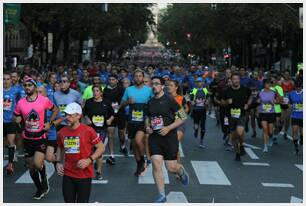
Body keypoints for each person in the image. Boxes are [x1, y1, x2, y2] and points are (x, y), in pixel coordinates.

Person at [14, 77, 59, 200]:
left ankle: (44, 177)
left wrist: (49, 123)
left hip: (41, 136)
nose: (27, 87)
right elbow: (16, 115)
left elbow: (56, 110)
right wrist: (17, 120)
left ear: (34, 87)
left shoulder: (44, 100)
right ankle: (39, 188)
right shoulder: (20, 102)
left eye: (30, 85)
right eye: (25, 85)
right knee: (30, 166)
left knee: (38, 164)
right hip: (27, 137)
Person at [146, 76, 189, 203]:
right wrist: (147, 127)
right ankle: (161, 195)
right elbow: (148, 118)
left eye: (157, 84)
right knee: (156, 163)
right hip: (155, 138)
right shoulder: (150, 102)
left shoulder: (169, 100)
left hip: (169, 137)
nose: (154, 86)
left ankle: (180, 171)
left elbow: (183, 116)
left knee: (170, 167)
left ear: (162, 86)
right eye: (152, 84)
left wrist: (169, 128)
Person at [55, 102, 105, 203]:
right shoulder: (62, 132)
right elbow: (60, 147)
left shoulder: (88, 131)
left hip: (84, 175)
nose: (67, 118)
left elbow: (101, 147)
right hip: (68, 174)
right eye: (66, 115)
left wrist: (89, 160)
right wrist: (58, 162)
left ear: (78, 116)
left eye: (70, 115)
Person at [120, 69, 153, 176]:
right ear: (133, 78)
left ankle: (143, 159)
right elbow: (122, 104)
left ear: (143, 78)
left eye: (140, 76)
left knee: (139, 140)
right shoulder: (129, 90)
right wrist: (128, 102)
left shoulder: (149, 90)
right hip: (132, 120)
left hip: (144, 120)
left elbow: (153, 104)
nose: (138, 78)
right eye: (136, 76)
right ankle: (139, 164)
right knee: (134, 145)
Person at [83, 86, 114, 179]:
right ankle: (93, 165)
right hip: (90, 130)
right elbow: (84, 113)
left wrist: (110, 120)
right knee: (91, 150)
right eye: (93, 91)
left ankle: (99, 172)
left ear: (101, 92)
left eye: (97, 91)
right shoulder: (89, 102)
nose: (95, 93)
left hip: (102, 129)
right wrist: (87, 119)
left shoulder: (106, 102)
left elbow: (112, 113)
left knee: (99, 150)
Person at [223, 73, 252, 161]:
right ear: (231, 81)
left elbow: (251, 97)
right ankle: (237, 152)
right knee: (234, 137)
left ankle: (242, 146)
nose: (236, 80)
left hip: (241, 114)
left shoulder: (245, 89)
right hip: (231, 116)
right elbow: (222, 102)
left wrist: (247, 104)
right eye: (234, 79)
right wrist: (227, 101)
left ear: (239, 80)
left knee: (240, 132)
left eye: (237, 79)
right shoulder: (227, 91)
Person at [167, 80, 190, 175]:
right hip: (168, 124)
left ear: (176, 87)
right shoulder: (164, 97)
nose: (169, 87)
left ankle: (178, 167)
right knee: (171, 146)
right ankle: (176, 167)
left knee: (175, 143)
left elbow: (187, 108)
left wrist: (181, 115)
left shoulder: (181, 98)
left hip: (179, 124)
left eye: (171, 85)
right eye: (168, 85)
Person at [103, 74, 127, 164]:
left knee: (121, 134)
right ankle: (112, 155)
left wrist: (118, 107)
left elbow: (123, 101)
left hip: (120, 114)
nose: (111, 81)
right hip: (109, 115)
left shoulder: (122, 89)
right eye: (109, 79)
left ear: (117, 81)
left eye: (113, 79)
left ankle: (123, 146)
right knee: (110, 135)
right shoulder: (105, 90)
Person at [4, 72, 21, 175]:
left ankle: (10, 164)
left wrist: (19, 115)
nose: (5, 81)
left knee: (11, 142)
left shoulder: (16, 91)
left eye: (7, 79)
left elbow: (21, 102)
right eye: (4, 79)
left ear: (11, 80)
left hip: (11, 120)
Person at [257, 79, 279, 152]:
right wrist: (258, 102)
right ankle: (265, 146)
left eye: (269, 83)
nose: (268, 85)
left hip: (271, 113)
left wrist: (274, 102)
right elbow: (257, 101)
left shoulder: (273, 92)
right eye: (266, 83)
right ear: (264, 84)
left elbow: (279, 100)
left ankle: (271, 137)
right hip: (263, 113)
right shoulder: (260, 92)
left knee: (270, 131)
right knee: (265, 129)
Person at [190, 77, 209, 148]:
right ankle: (196, 130)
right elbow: (191, 99)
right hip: (195, 110)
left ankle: (201, 140)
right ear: (196, 83)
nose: (199, 83)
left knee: (203, 126)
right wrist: (192, 102)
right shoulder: (194, 90)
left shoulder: (205, 90)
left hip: (203, 110)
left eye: (200, 82)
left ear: (203, 83)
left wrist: (207, 102)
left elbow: (208, 98)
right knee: (196, 125)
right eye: (197, 82)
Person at [288, 80, 303, 154]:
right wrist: (290, 106)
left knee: (302, 133)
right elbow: (289, 103)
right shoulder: (291, 94)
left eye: (299, 87)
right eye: (296, 87)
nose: (298, 88)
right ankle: (296, 146)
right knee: (294, 130)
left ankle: (302, 139)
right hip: (295, 115)